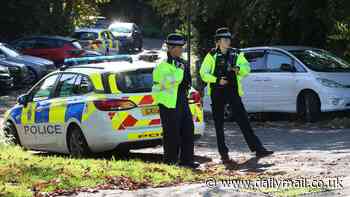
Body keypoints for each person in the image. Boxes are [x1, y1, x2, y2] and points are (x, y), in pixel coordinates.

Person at [200, 27, 273, 163]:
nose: (228, 42)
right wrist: (217, 80)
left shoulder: (236, 54)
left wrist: (239, 69)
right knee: (219, 124)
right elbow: (203, 74)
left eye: (229, 39)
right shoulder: (211, 56)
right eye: (225, 39)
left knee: (244, 120)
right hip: (217, 91)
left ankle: (258, 149)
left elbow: (247, 68)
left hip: (232, 90)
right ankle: (224, 154)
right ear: (218, 42)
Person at [152, 33, 200, 169]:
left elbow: (186, 81)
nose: (181, 50)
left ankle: (187, 160)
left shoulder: (181, 62)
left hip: (181, 99)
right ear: (171, 48)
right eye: (179, 47)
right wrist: (180, 69)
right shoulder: (163, 65)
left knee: (188, 130)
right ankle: (171, 162)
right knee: (171, 134)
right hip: (168, 102)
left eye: (182, 47)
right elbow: (173, 80)